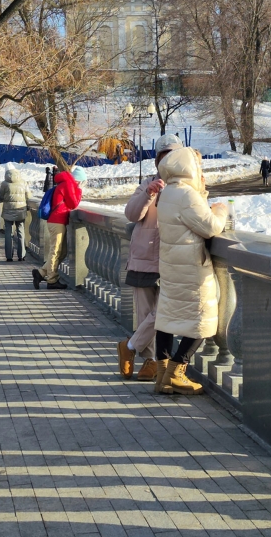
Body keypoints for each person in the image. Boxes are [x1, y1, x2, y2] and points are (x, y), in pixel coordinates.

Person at [153, 148, 227, 395]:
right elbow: (210, 227)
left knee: (167, 317)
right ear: (189, 168)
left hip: (172, 266)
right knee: (203, 318)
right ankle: (177, 371)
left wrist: (200, 190)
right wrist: (220, 210)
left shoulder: (169, 193)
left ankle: (162, 374)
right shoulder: (186, 195)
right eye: (198, 165)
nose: (200, 169)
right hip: (191, 269)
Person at [117, 134, 184, 383]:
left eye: (173, 157)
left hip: (173, 260)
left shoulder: (186, 188)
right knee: (146, 313)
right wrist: (148, 193)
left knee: (162, 313)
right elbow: (132, 214)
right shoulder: (147, 185)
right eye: (163, 157)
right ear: (157, 161)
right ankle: (150, 362)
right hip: (145, 259)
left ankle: (129, 347)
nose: (168, 163)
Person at [32, 167, 84, 290]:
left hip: (56, 221)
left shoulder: (64, 183)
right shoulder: (68, 184)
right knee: (55, 251)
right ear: (79, 180)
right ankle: (51, 280)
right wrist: (79, 190)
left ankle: (41, 273)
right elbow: (74, 203)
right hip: (57, 221)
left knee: (62, 252)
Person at [0, 168, 32, 262]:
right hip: (20, 211)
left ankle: (9, 256)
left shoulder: (4, 183)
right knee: (21, 232)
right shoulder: (23, 182)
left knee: (8, 233)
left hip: (8, 211)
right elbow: (28, 196)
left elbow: (1, 197)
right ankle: (21, 255)